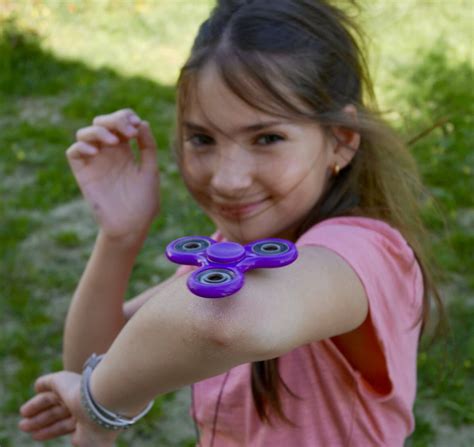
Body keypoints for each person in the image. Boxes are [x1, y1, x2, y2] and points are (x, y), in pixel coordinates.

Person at [18, 0, 443, 446]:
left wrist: (97, 408)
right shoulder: (224, 254)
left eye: (267, 138)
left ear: (341, 140)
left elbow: (225, 323)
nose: (228, 179)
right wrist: (120, 236)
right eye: (202, 139)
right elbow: (95, 358)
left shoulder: (365, 251)